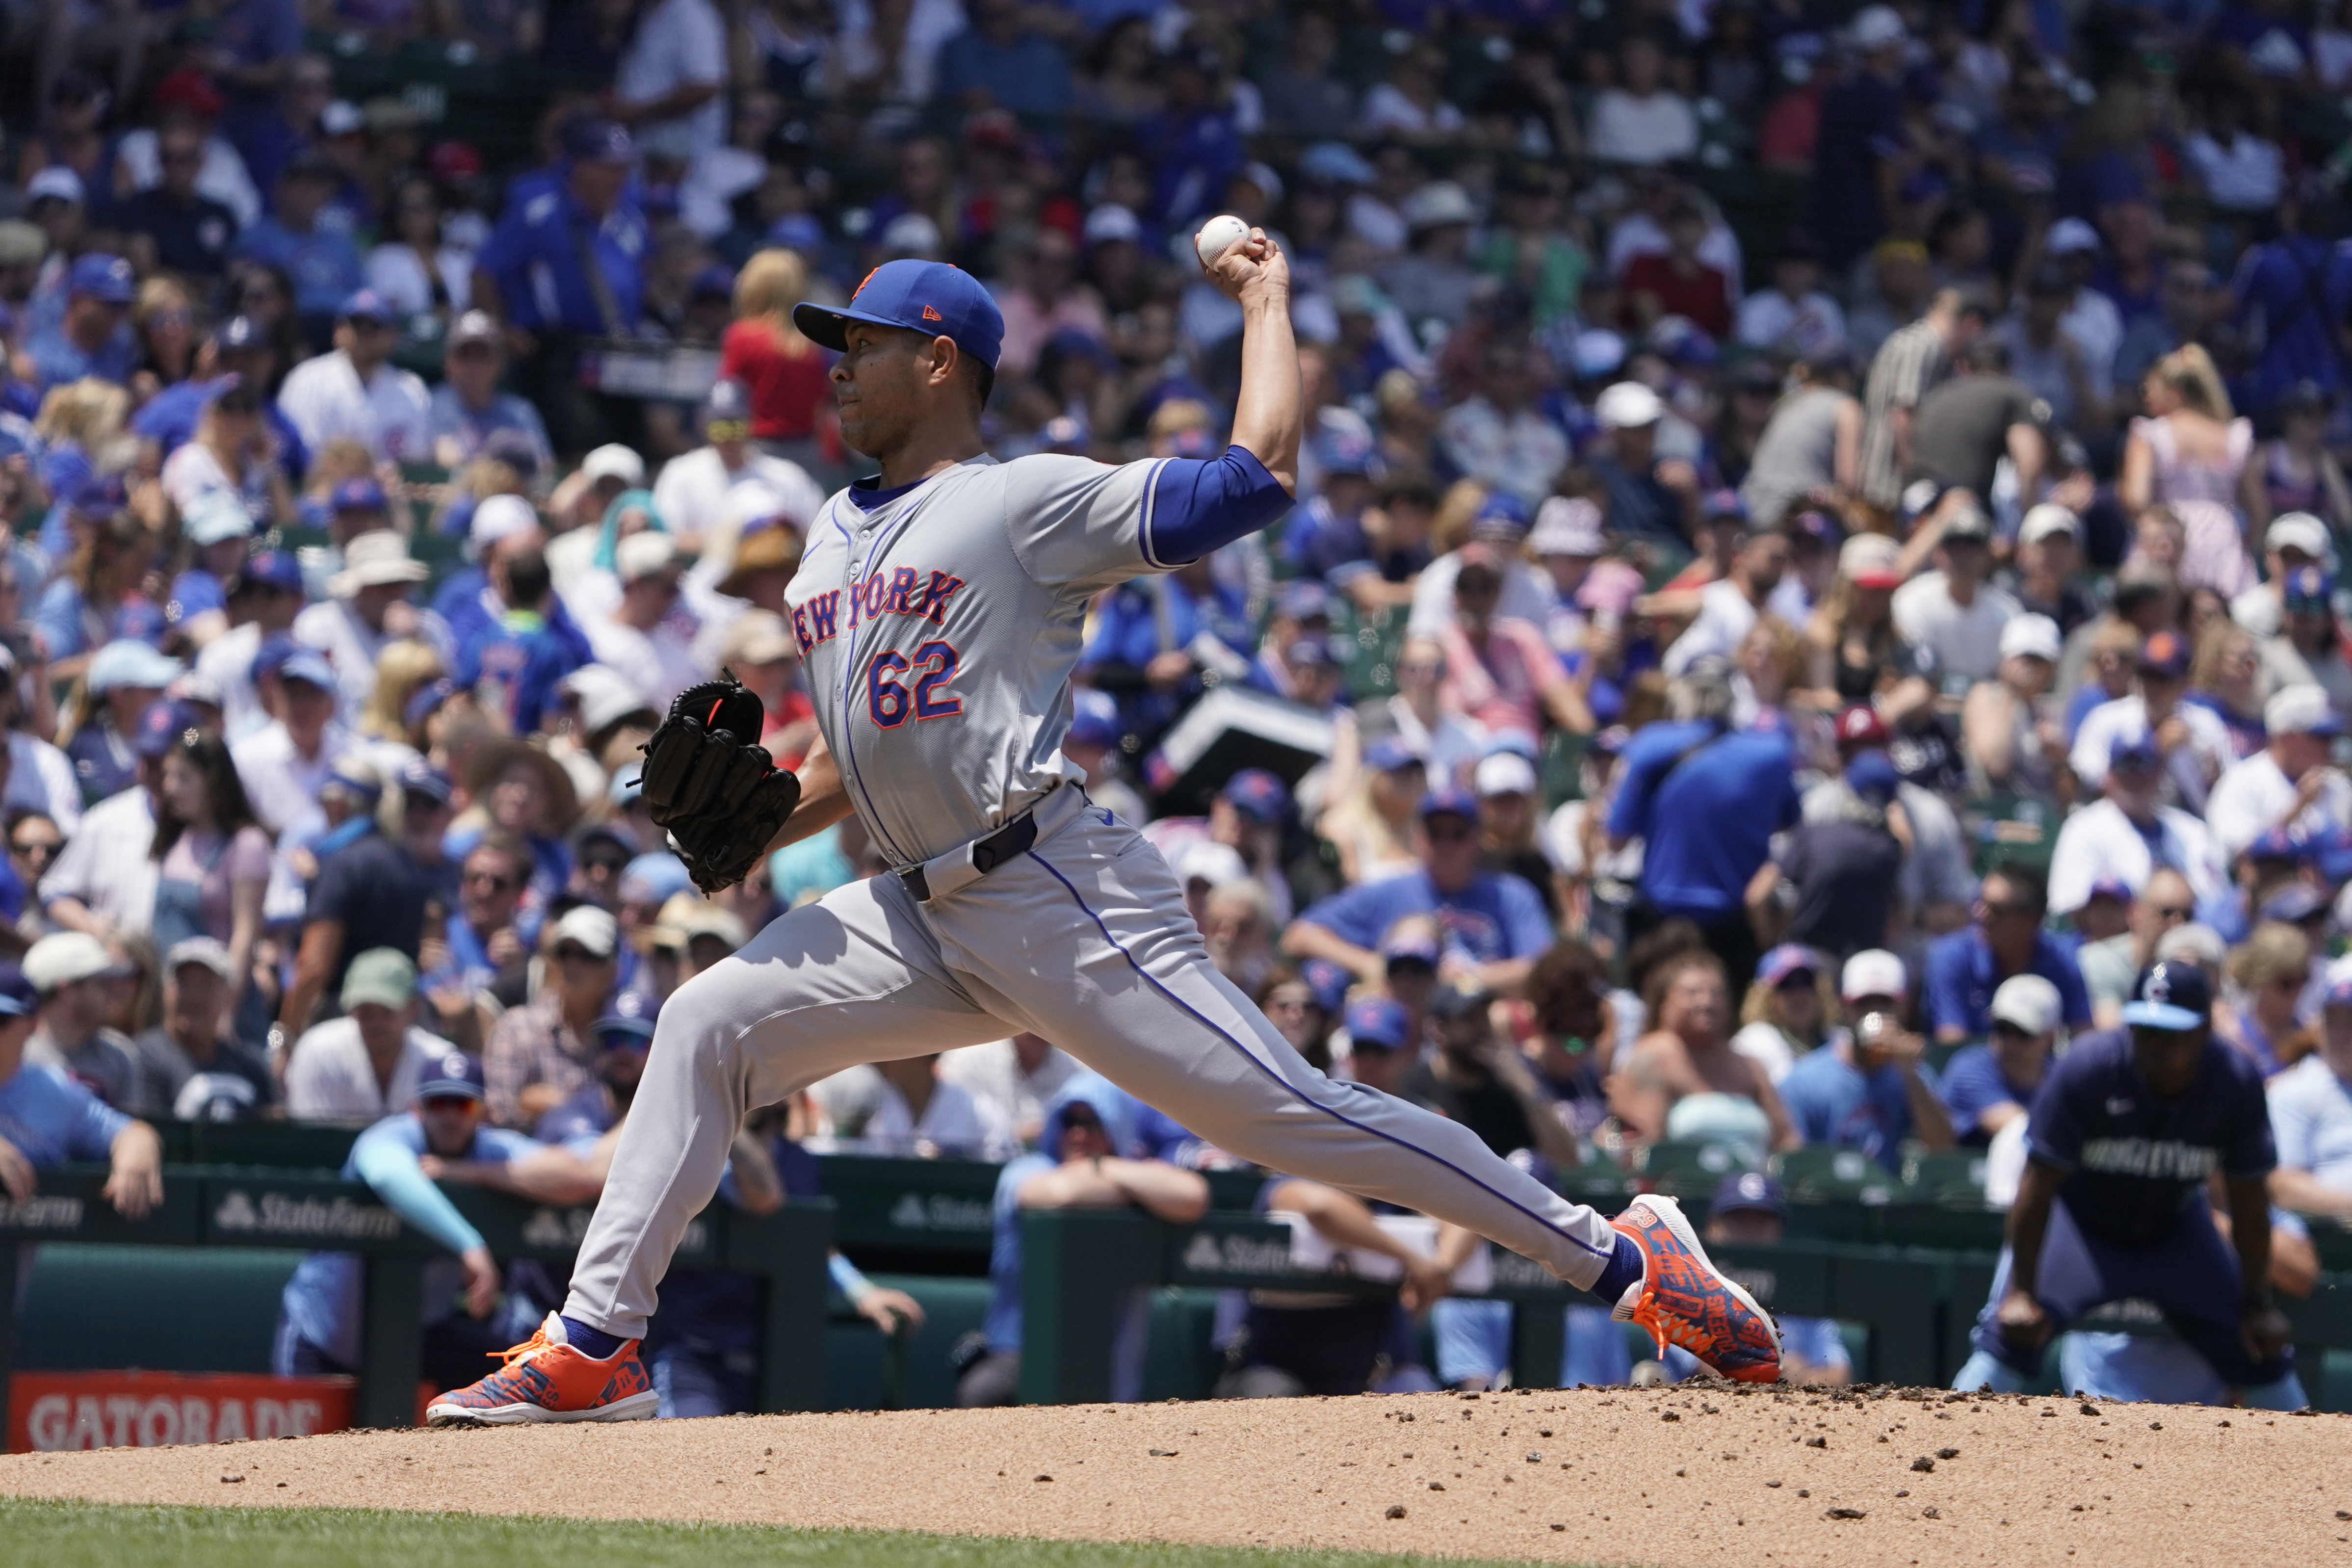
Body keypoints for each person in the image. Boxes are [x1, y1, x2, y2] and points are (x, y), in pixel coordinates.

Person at [427, 244, 1780, 1426]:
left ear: (941, 360)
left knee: (1295, 1116)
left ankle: (1620, 1255)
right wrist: (771, 819)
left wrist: (1265, 300)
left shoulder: (1021, 501)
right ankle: (596, 1344)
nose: (834, 367)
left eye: (863, 346)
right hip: (915, 910)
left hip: (1051, 886)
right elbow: (862, 750)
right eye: (832, 345)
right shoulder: (826, 543)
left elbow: (1253, 480)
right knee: (705, 1022)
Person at [1949, 962, 2305, 1409]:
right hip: (2083, 1231)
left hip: (2176, 1232)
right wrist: (2021, 1291)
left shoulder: (2233, 1080)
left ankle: (2325, 1477)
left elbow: (2251, 1203)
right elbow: (2036, 1187)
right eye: (2145, 1030)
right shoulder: (2089, 1068)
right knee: (2008, 1337)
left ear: (2203, 1032)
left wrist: (2257, 1303)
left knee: (2260, 1349)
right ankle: (1935, 1455)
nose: (2155, 1045)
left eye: (2171, 1034)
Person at [274, 1052, 547, 1390]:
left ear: (484, 1113)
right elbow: (389, 1175)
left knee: (511, 1369)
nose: (449, 1116)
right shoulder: (391, 1137)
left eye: (463, 1105)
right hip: (322, 1340)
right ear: (416, 1108)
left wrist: (471, 1173)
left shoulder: (492, 1152)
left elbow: (573, 1169)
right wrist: (471, 1246)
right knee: (301, 1445)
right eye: (438, 1103)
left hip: (412, 1346)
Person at [955, 1074, 1210, 1407]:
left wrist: (1104, 1169)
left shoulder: (1125, 1173)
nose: (1078, 1133)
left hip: (1111, 1366)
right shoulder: (1029, 1167)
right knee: (984, 1391)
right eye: (1069, 1121)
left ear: (1116, 1128)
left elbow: (1192, 1196)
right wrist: (1128, 1185)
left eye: (1092, 1122)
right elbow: (1059, 1192)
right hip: (1022, 1354)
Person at [1606, 669, 1798, 988]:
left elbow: (1616, 839)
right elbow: (1789, 823)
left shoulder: (1650, 744)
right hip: (1737, 923)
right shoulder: (1771, 752)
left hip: (1665, 919)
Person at [1283, 787, 1555, 998]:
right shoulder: (1391, 889)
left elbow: (1542, 968)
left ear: (1477, 840)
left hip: (1478, 1020)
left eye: (1457, 833)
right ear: (1418, 837)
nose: (1446, 844)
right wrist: (1370, 964)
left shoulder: (1511, 895)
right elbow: (1300, 935)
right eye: (1436, 833)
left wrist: (1468, 980)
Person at [0, 961, 165, 1220]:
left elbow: (129, 1132)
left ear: (32, 1025)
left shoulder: (52, 1090)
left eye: (1, 1020)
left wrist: (138, 1148)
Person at [1777, 948, 1954, 1167]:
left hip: (1895, 1197)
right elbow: (1795, 1162)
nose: (1874, 1013)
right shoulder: (1804, 1081)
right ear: (1845, 1007)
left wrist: (1910, 1074)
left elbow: (1943, 1146)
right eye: (1864, 1004)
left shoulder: (1916, 1074)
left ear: (1903, 1008)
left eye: (1884, 1004)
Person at [2045, 734, 2228, 923]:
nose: (2135, 778)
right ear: (2109, 774)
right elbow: (2067, 908)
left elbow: (2218, 898)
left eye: (2144, 767)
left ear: (2160, 773)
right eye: (2125, 767)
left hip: (2193, 936)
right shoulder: (2083, 828)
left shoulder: (2191, 829)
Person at [1923, 863, 2092, 1044]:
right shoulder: (1951, 958)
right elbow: (1953, 1045)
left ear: (2032, 921)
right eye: (1980, 902)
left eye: (1996, 910)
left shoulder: (2062, 963)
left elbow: (2083, 1036)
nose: (1980, 915)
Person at [282, 948, 455, 1121]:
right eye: (366, 1014)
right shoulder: (318, 1052)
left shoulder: (440, 1060)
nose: (376, 1023)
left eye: (387, 1012)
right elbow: (308, 1139)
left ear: (412, 1009)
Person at [273, 288, 431, 464]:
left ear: (392, 336)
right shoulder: (307, 380)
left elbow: (418, 460)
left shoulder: (411, 389)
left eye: (374, 328)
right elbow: (300, 457)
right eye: (358, 327)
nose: (365, 335)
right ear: (338, 332)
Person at [127, 937, 274, 1121]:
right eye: (184, 984)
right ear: (166, 991)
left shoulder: (252, 1067)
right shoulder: (141, 1059)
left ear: (227, 994)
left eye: (205, 985)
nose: (193, 997)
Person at [2203, 685, 2352, 864]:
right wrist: (2296, 808)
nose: (2330, 748)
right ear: (2289, 738)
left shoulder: (2337, 784)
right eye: (2322, 738)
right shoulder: (2242, 782)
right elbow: (2237, 857)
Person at [1938, 973, 2060, 1147]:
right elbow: (2017, 1130)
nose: (2010, 1043)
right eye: (2002, 1029)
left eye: (2023, 1034)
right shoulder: (1970, 1069)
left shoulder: (2061, 1075)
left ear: (2049, 1038)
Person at [22, 930, 138, 1107]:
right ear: (66, 991)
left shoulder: (120, 1056)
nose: (113, 992)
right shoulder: (15, 1053)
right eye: (102, 984)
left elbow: (134, 1129)